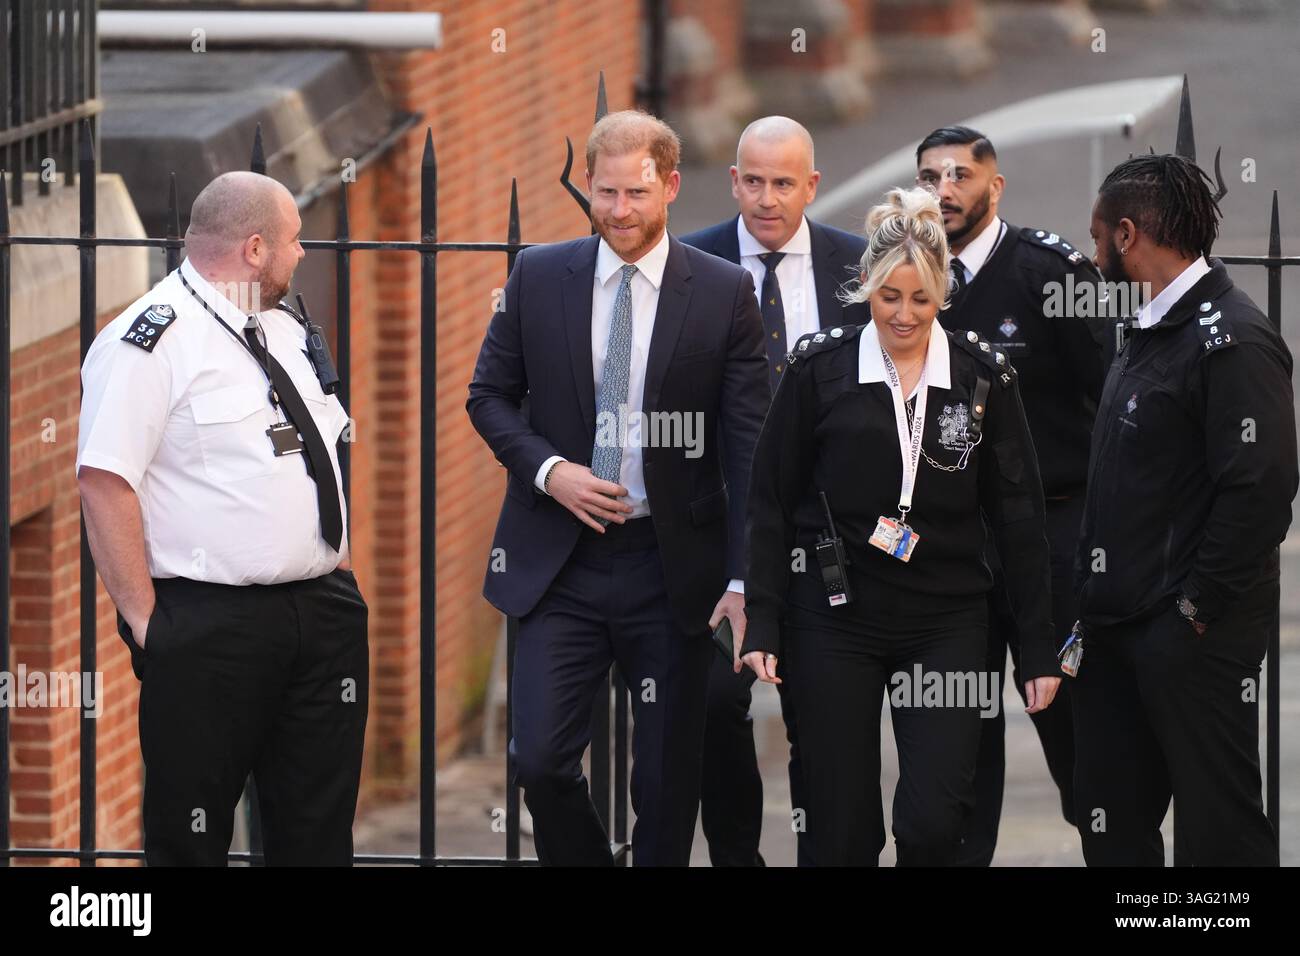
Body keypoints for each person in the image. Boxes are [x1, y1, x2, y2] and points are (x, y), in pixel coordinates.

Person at [466, 110, 770, 866]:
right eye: (605, 193)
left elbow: (747, 446)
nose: (620, 212)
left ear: (670, 184)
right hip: (559, 563)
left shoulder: (724, 291)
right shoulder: (540, 276)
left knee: (667, 787)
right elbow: (488, 396)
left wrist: (741, 577)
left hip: (669, 567)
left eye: (636, 193)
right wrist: (550, 471)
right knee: (538, 760)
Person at [740, 185, 1060, 866]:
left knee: (934, 824)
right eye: (890, 297)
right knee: (838, 826)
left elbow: (1018, 517)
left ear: (943, 292)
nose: (905, 315)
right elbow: (770, 500)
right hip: (833, 617)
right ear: (865, 288)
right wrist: (763, 619)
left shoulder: (982, 379)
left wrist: (1036, 647)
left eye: (921, 298)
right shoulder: (818, 370)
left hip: (946, 621)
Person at [77, 171, 367, 866]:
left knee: (317, 834)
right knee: (193, 838)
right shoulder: (149, 341)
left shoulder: (283, 327)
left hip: (320, 618)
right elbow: (103, 481)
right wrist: (151, 626)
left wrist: (339, 577)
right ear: (256, 248)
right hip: (210, 629)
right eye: (295, 242)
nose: (304, 255)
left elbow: (320, 452)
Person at [1073, 153, 1296, 866]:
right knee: (1110, 817)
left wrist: (1194, 611)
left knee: (1217, 830)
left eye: (1097, 236)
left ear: (1129, 234)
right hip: (1116, 629)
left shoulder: (1232, 340)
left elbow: (1259, 490)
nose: (1091, 253)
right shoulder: (1148, 326)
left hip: (1192, 637)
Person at [914, 125, 1105, 864]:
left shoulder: (1048, 273)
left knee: (1076, 737)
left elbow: (1118, 399)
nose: (945, 191)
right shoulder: (905, 275)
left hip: (1052, 539)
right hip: (949, 549)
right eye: (930, 176)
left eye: (961, 176)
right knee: (956, 748)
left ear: (996, 186)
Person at [680, 115, 867, 867]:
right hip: (719, 538)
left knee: (822, 725)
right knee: (716, 705)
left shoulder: (859, 268)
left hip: (825, 541)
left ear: (810, 186)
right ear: (732, 181)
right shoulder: (687, 262)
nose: (765, 198)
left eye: (783, 182)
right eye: (751, 180)